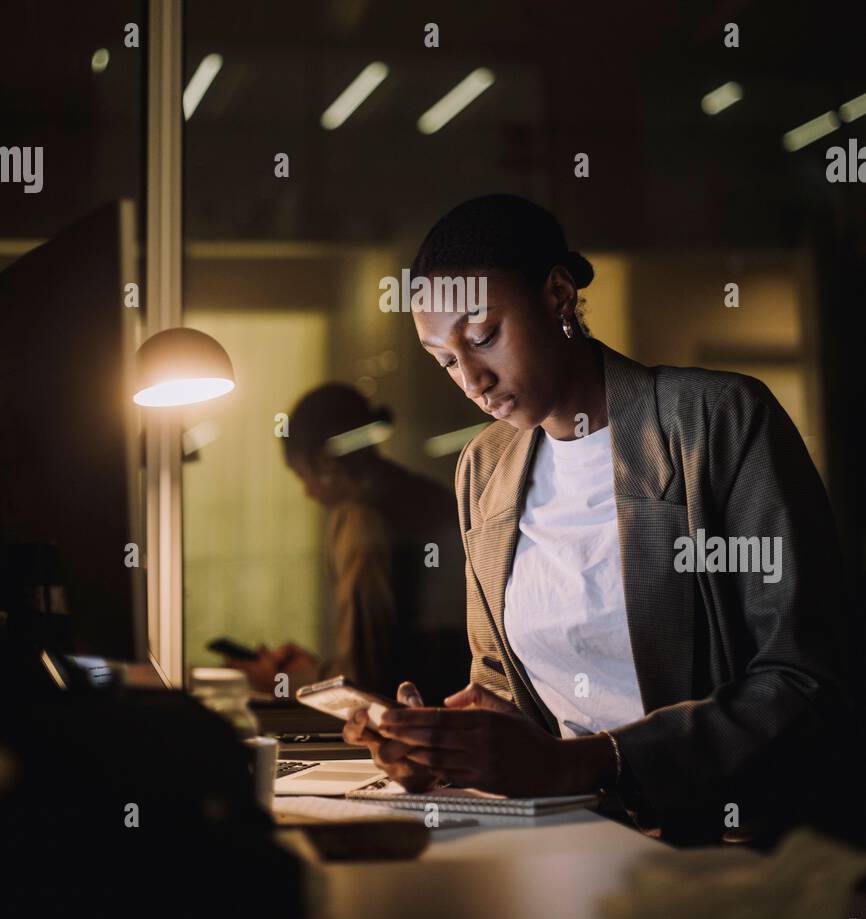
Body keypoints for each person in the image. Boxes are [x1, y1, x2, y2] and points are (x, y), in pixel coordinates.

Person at [344, 193, 860, 847]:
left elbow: (805, 681)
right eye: (445, 360)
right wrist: (439, 747)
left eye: (482, 338)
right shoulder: (483, 468)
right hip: (567, 839)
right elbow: (503, 688)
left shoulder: (717, 420)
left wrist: (589, 763)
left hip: (730, 846)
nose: (470, 378)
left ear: (559, 296)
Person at [226, 384, 466, 703]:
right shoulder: (430, 497)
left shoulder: (360, 519)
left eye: (303, 476)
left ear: (326, 463)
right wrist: (319, 669)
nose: (307, 493)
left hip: (411, 718)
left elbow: (366, 678)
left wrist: (280, 679)